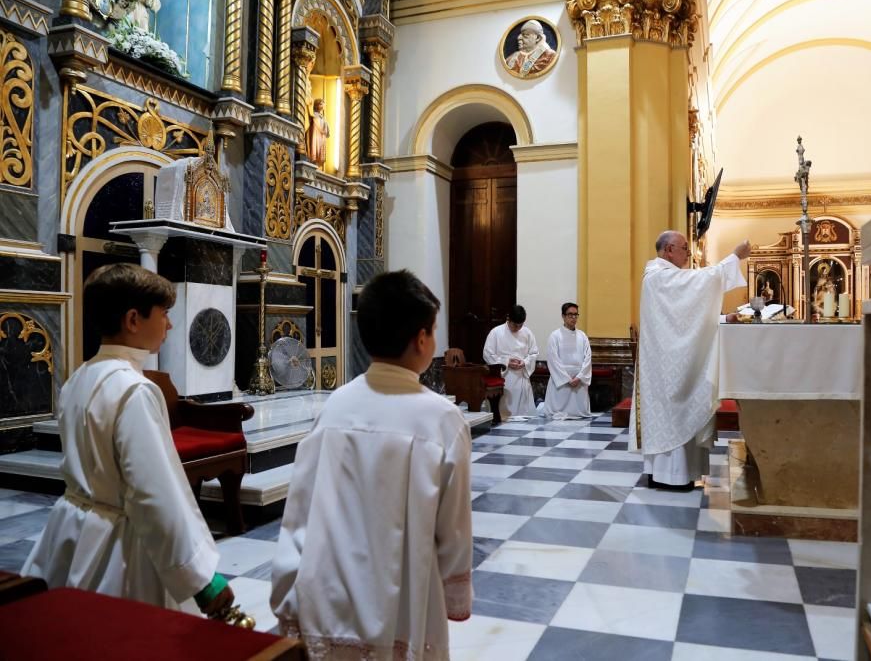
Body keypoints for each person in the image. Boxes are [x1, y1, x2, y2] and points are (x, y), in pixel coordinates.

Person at [271, 270, 472, 660]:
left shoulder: (334, 407)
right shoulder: (441, 419)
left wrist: (287, 590)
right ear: (421, 339)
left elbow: (300, 510)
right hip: (405, 602)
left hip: (328, 599)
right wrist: (453, 591)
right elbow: (454, 529)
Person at [22, 263, 234, 616]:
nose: (169, 324)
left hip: (71, 532)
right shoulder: (135, 390)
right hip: (119, 550)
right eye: (164, 314)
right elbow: (153, 493)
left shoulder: (79, 377)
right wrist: (200, 579)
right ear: (133, 320)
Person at [629, 231, 750, 491]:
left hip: (668, 362)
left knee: (679, 415)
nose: (688, 253)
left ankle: (678, 474)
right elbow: (695, 288)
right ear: (669, 249)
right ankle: (668, 476)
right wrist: (734, 257)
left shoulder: (664, 276)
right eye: (685, 247)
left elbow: (690, 319)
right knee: (673, 414)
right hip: (664, 369)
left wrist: (722, 319)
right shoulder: (658, 277)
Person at [483, 305, 539, 418]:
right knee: (505, 407)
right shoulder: (496, 332)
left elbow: (534, 353)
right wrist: (506, 362)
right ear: (508, 319)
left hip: (521, 374)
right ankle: (502, 415)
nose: (518, 328)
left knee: (524, 414)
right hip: (504, 375)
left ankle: (523, 414)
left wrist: (525, 362)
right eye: (515, 325)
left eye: (521, 325)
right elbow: (488, 354)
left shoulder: (527, 333)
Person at [543, 302, 592, 419]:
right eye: (570, 315)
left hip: (578, 379)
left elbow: (588, 358)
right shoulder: (555, 336)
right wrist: (567, 379)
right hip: (562, 379)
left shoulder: (582, 336)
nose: (574, 318)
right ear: (563, 316)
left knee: (580, 412)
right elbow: (553, 359)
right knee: (557, 410)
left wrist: (579, 377)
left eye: (576, 315)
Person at [306, 98, 330, 166]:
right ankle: (314, 159)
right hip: (316, 134)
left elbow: (326, 127)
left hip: (321, 136)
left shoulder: (322, 117)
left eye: (323, 104)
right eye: (321, 103)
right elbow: (316, 122)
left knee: (320, 149)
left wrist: (325, 131)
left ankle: (317, 161)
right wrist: (322, 130)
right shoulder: (315, 114)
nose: (323, 105)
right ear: (317, 105)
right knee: (316, 147)